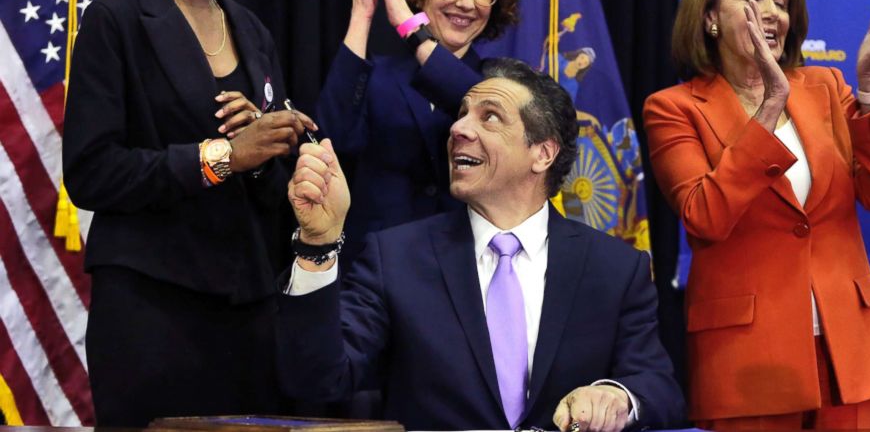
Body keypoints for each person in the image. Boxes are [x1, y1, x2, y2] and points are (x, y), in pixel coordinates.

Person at [279, 59, 685, 432]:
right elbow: (317, 378)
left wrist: (617, 397)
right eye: (461, 115)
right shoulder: (397, 257)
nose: (458, 130)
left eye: (489, 117)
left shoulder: (615, 267)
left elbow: (658, 389)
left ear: (542, 153)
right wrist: (318, 244)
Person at [62, 0, 315, 425]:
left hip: (248, 314)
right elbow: (91, 173)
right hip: (151, 313)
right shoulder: (117, 20)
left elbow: (268, 191)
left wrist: (274, 149)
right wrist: (222, 156)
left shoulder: (251, 31)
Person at [643, 0, 870, 430]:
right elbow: (705, 217)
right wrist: (768, 111)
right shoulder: (673, 108)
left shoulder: (826, 87)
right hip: (748, 357)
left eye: (781, 2)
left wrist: (869, 82)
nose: (772, 12)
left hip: (849, 348)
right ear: (710, 19)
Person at [314, 0, 521, 271]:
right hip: (375, 277)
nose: (467, 2)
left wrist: (410, 29)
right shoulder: (375, 75)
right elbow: (331, 139)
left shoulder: (505, 82)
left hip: (468, 276)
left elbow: (479, 105)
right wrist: (363, 14)